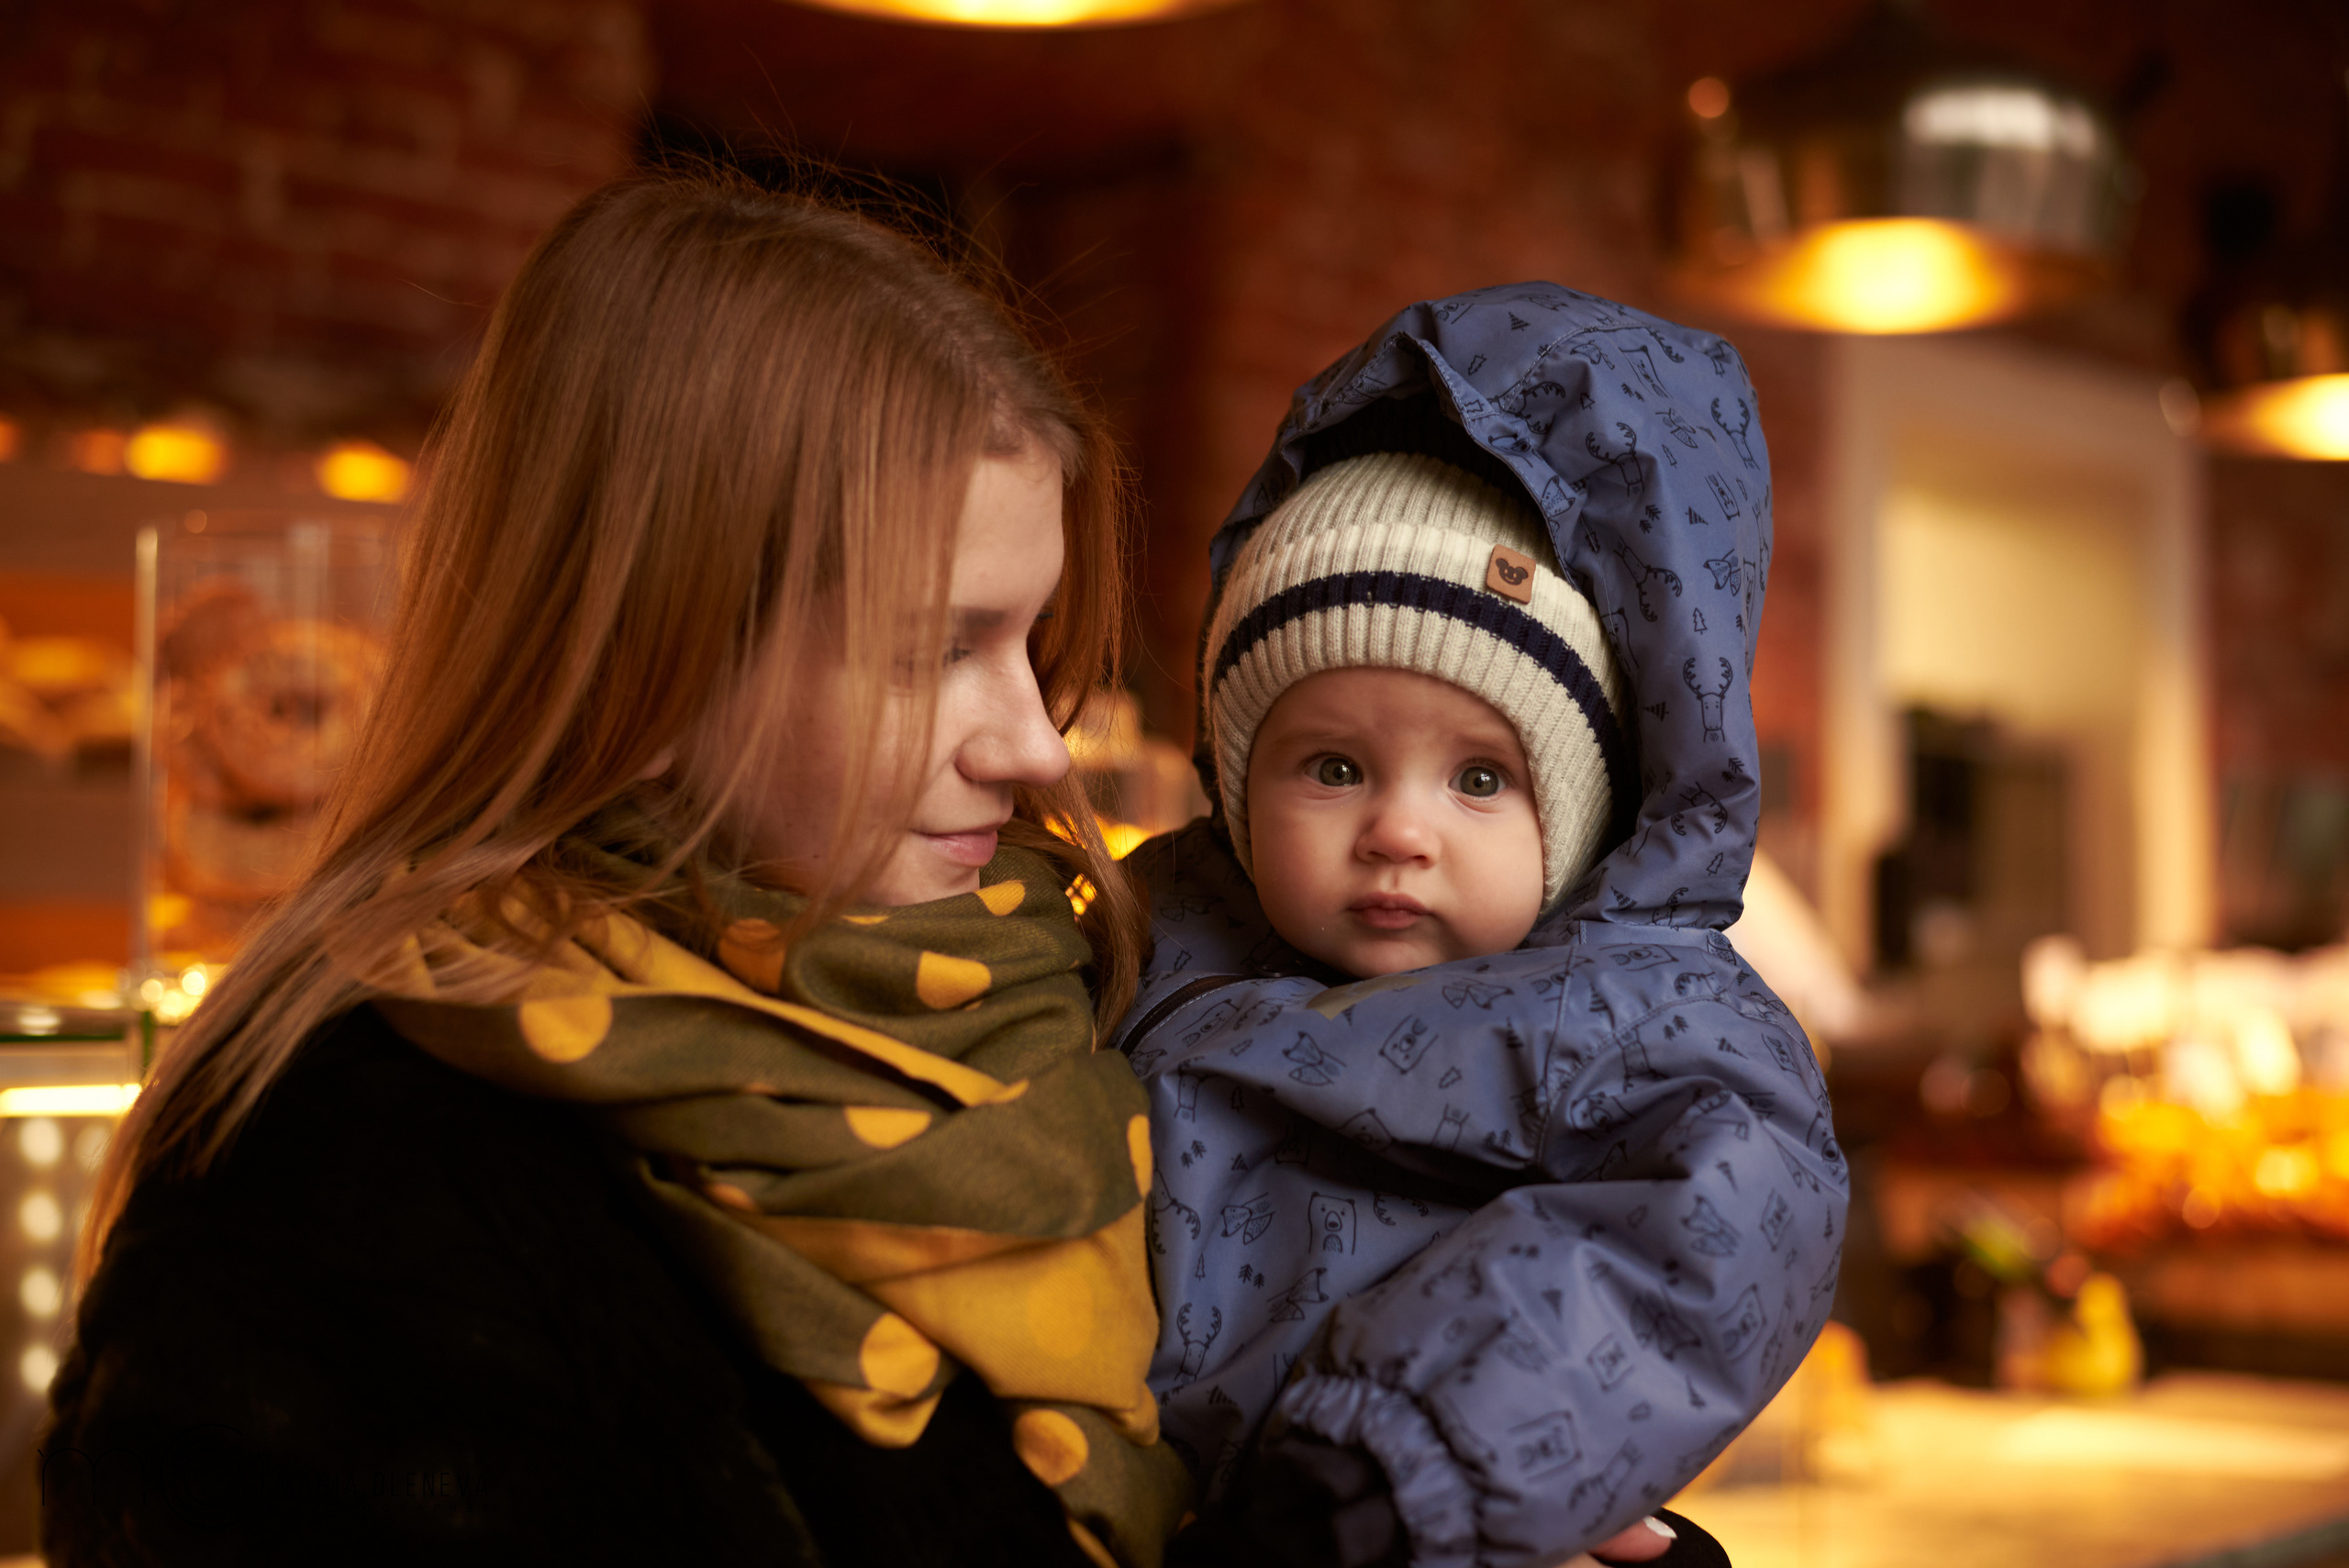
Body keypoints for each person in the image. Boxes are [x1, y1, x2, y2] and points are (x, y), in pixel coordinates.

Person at [42, 172, 1191, 1568]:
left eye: (1032, 642)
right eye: (932, 649)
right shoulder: (327, 1191)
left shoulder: (1076, 1006)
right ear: (648, 652)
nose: (1031, 744)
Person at [1116, 284, 1850, 1568]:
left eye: (1479, 779)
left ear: (1576, 815)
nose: (1401, 829)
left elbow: (1690, 1257)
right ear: (1234, 781)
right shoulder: (1146, 934)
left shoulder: (1646, 1022)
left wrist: (1390, 1472)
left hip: (1386, 1511)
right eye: (1332, 767)